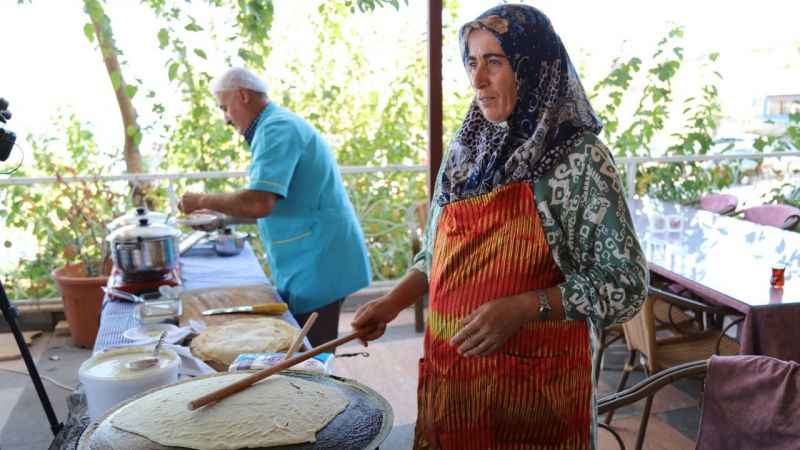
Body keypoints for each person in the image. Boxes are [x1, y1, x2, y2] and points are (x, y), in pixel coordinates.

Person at [351, 5, 647, 449]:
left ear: (532, 66)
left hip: (536, 398)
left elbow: (625, 285)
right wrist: (392, 302)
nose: (477, 79)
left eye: (494, 61)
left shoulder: (579, 159)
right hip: (455, 386)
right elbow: (436, 253)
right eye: (472, 61)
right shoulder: (467, 151)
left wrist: (527, 306)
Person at [179, 67, 371, 347]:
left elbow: (258, 202)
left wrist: (201, 200)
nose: (226, 119)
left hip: (318, 260)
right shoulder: (273, 126)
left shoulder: (276, 128)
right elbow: (282, 202)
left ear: (242, 96)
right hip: (310, 256)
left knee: (310, 357)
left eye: (225, 108)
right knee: (304, 350)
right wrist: (221, 219)